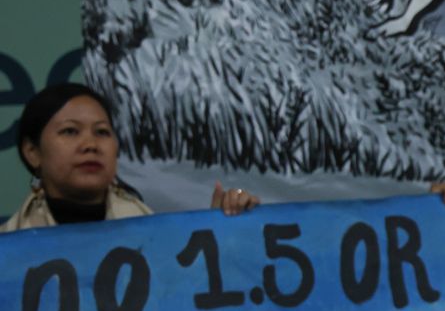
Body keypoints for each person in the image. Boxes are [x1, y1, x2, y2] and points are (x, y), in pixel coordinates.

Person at [3, 83, 261, 233]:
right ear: (32, 152)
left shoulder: (155, 238)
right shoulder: (9, 253)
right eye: (70, 131)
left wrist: (218, 234)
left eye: (102, 132)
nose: (91, 145)